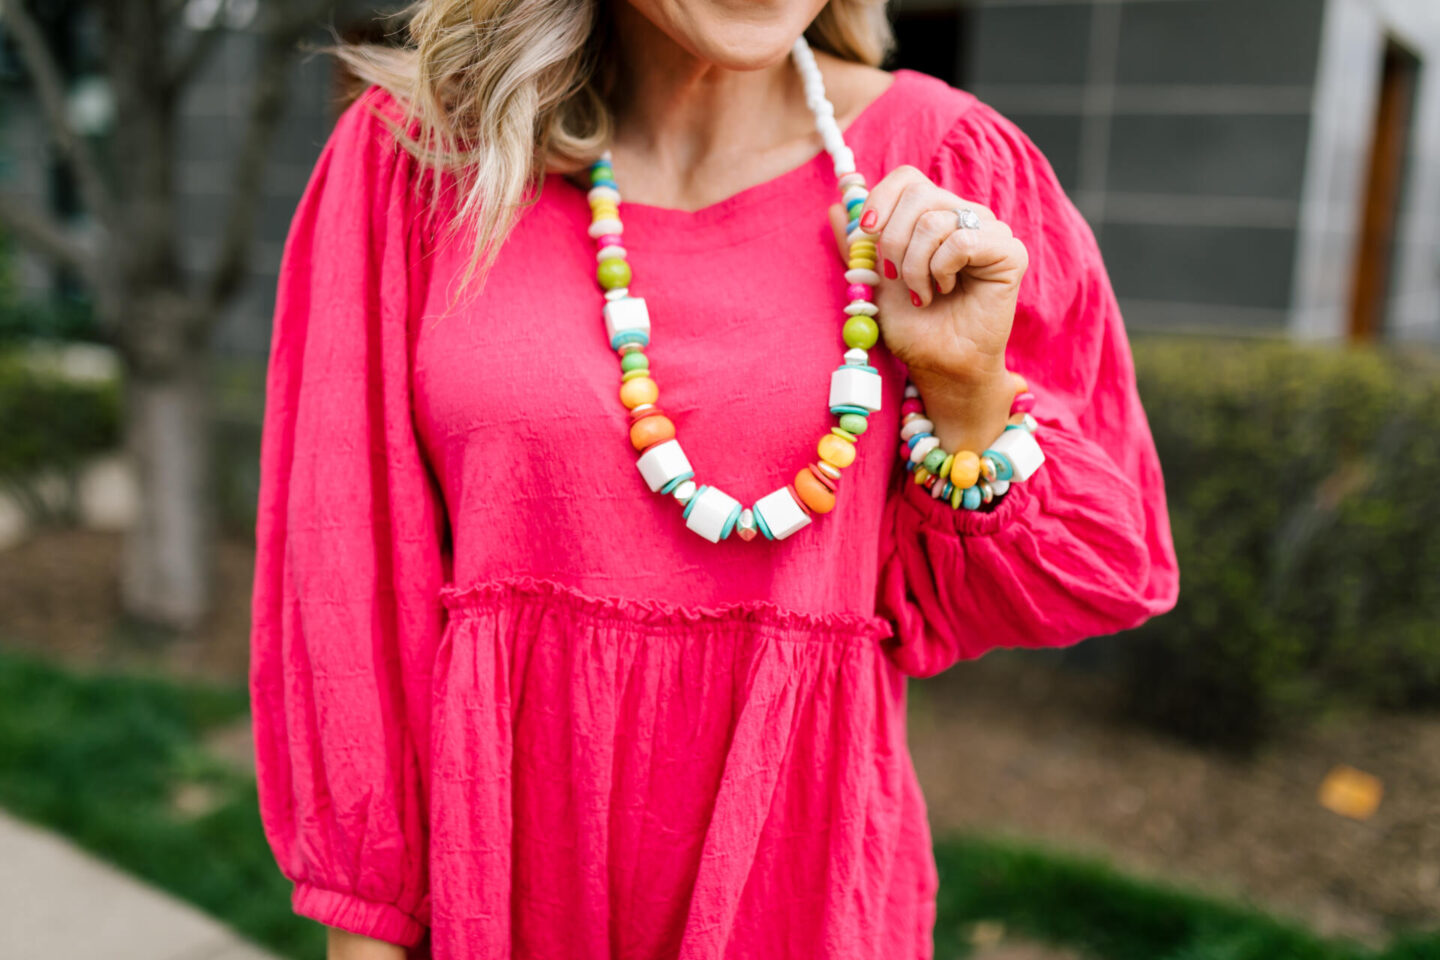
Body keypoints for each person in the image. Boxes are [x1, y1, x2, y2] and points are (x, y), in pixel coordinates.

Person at [248, 0, 1180, 955]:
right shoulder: (419, 160)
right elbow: (345, 583)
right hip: (504, 887)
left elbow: (1103, 567)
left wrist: (966, 388)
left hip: (797, 892)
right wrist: (362, 922)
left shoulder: (942, 166)